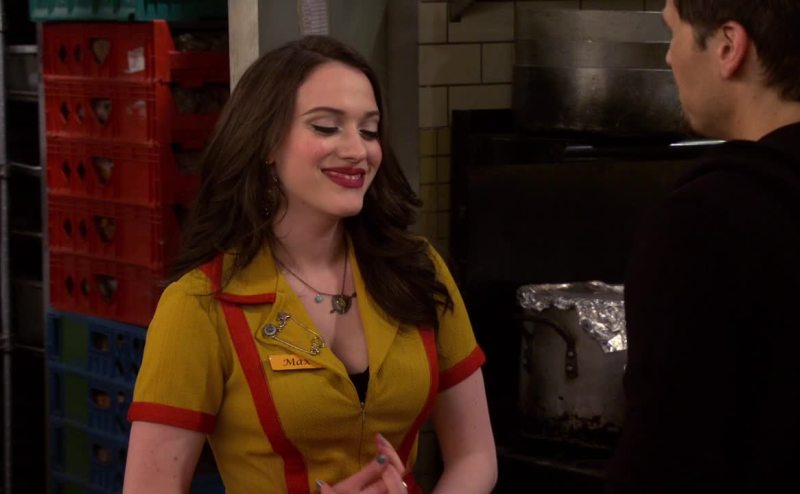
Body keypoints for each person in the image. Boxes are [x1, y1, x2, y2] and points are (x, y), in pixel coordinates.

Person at [122, 35, 497, 494]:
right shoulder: (199, 304)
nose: (358, 150)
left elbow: (476, 456)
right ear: (266, 143)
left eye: (369, 130)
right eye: (326, 127)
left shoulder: (418, 270)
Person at [607, 1, 800, 492]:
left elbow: (667, 458)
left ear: (729, 46)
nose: (669, 56)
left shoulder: (703, 220)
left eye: (674, 32)